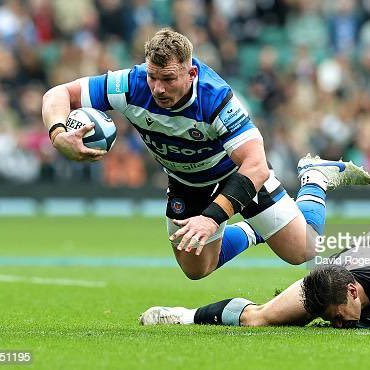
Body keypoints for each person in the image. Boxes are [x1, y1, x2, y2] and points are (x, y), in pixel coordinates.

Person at [42, 28, 370, 280]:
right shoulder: (129, 84)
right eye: (153, 77)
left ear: (191, 74)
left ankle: (315, 176)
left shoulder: (217, 100)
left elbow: (255, 165)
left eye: (169, 79)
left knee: (304, 250)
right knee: (197, 269)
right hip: (186, 180)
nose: (158, 88)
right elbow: (58, 93)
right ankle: (253, 230)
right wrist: (58, 134)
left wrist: (212, 217)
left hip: (235, 176)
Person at [140, 240, 370, 329]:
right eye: (332, 319)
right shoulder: (330, 287)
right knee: (258, 318)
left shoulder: (347, 292)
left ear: (353, 292)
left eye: (337, 318)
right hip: (329, 275)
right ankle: (183, 316)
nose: (337, 325)